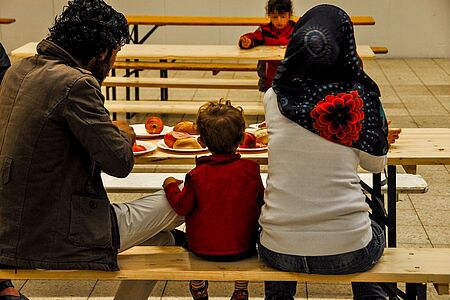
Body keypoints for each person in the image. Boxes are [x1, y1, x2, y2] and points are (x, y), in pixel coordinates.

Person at [0, 1, 183, 299]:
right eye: (115, 55)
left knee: (161, 241)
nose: (112, 66)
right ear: (101, 52)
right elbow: (120, 162)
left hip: (13, 228)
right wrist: (121, 131)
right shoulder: (76, 84)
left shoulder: (18, 71)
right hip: (55, 234)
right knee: (188, 195)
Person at [258, 4, 390, 300]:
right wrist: (375, 124)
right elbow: (376, 163)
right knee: (377, 221)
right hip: (348, 252)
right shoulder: (359, 98)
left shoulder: (273, 98)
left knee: (277, 227)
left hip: (278, 249)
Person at [163, 100, 265, 300]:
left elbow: (182, 207)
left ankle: (198, 286)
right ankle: (241, 288)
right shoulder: (251, 171)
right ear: (242, 138)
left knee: (183, 238)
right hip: (245, 247)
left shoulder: (197, 175)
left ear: (201, 142)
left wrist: (170, 186)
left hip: (202, 249)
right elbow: (261, 203)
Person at [238, 0, 296, 92]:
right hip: (269, 79)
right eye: (275, 17)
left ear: (290, 15)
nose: (279, 20)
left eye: (283, 16)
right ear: (269, 16)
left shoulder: (296, 29)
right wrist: (246, 42)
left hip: (291, 78)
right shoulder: (265, 30)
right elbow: (253, 37)